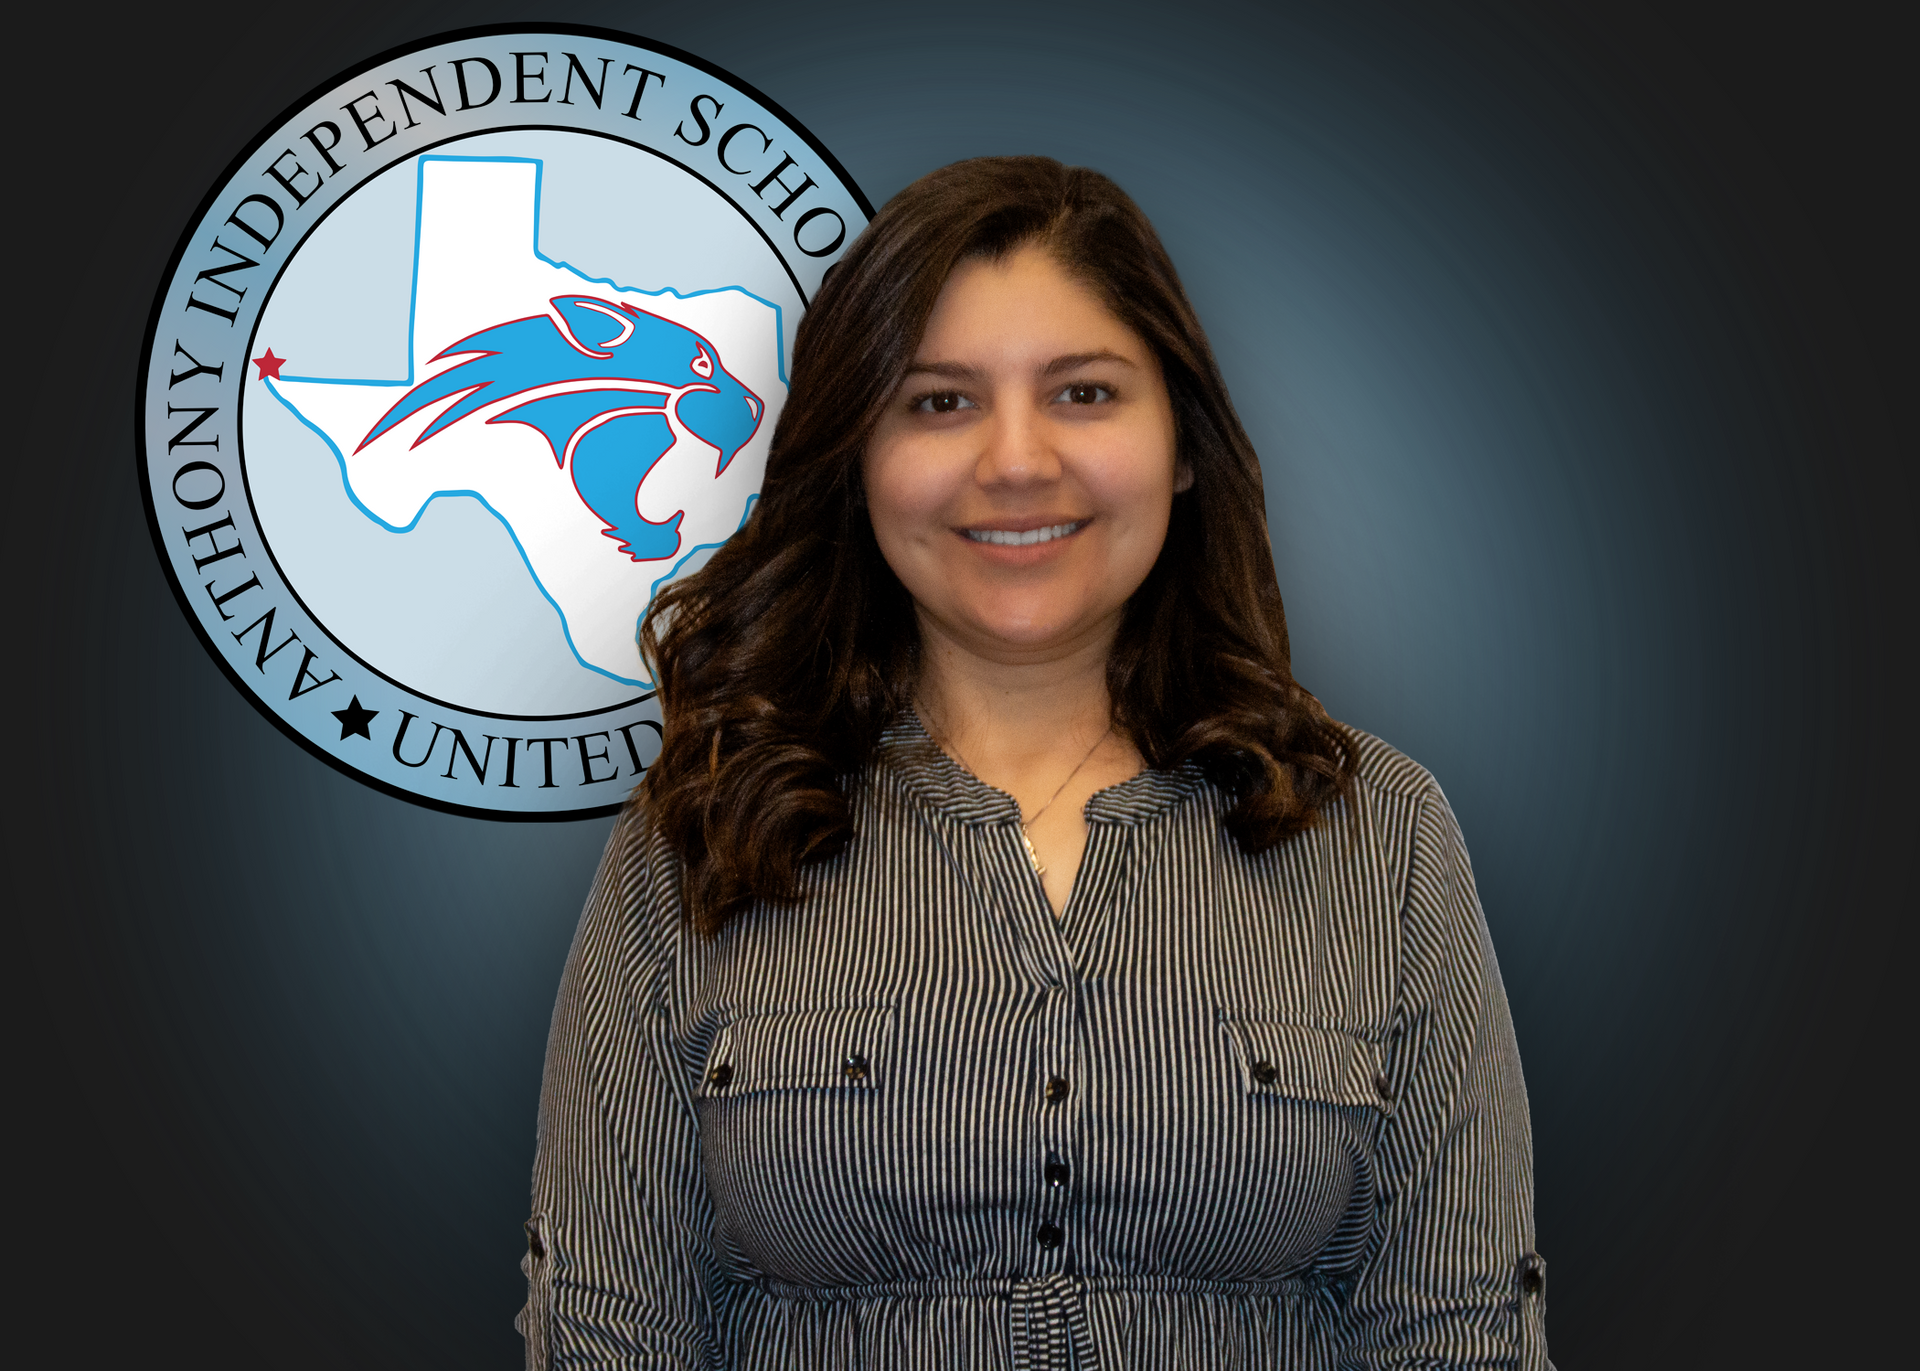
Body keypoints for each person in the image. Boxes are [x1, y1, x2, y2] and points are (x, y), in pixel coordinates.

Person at [519, 156, 1551, 1370]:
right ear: (856, 461)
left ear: (1182, 446)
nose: (1015, 462)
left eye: (1083, 393)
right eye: (940, 402)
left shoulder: (1378, 832)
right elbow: (606, 1334)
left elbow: (1462, 1332)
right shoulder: (699, 833)